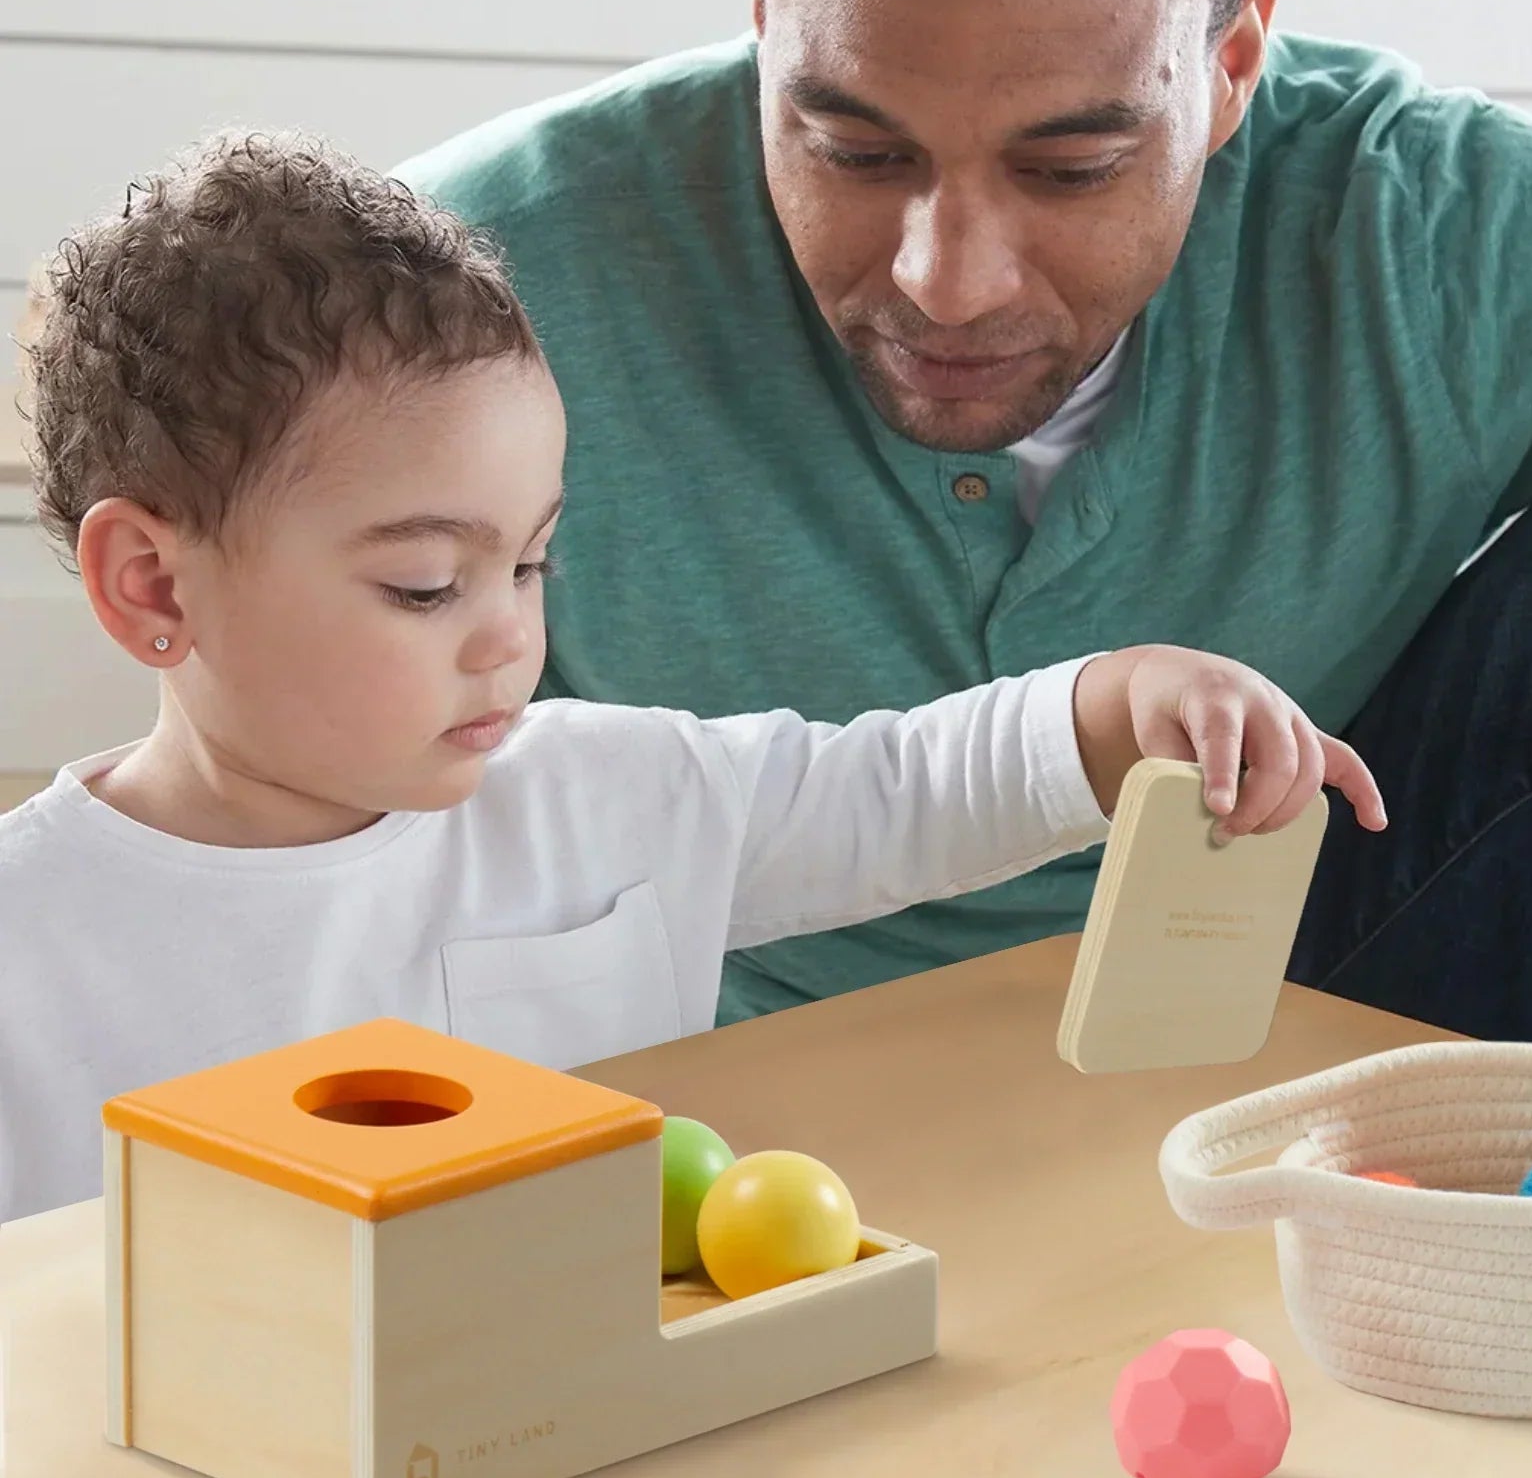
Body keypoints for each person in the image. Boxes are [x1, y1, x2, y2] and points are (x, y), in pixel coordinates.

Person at [396, 0, 1532, 1101]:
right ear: (766, 12)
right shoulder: (462, 278)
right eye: (853, 149)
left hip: (1314, 1031)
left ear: (1234, 60)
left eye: (1069, 167)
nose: (945, 279)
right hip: (730, 1102)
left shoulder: (1437, 223)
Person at [0, 132, 1382, 1223]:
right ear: (155, 586)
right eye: (425, 584)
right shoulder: (29, 944)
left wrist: (1125, 702)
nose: (505, 639)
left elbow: (893, 789)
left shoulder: (607, 792)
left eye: (530, 565)